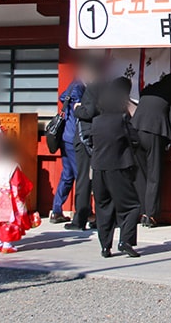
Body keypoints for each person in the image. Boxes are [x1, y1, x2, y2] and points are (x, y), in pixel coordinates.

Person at [89, 77, 141, 258]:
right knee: (132, 206)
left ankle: (105, 246)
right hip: (118, 166)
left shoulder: (96, 121)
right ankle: (125, 240)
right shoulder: (121, 119)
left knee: (104, 207)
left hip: (98, 167)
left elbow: (90, 141)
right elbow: (135, 139)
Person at [131, 72, 171, 228]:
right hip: (155, 132)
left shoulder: (148, 90)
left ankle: (143, 212)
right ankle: (152, 215)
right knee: (154, 175)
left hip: (135, 130)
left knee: (140, 174)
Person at [66, 60, 102, 231]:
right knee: (98, 179)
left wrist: (77, 108)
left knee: (82, 180)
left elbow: (89, 112)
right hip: (98, 137)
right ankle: (98, 216)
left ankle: (80, 219)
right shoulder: (105, 87)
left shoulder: (92, 89)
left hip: (85, 137)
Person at [0, 137, 35, 254]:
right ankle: (7, 244)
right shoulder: (12, 166)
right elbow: (18, 183)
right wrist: (25, 191)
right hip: (10, 199)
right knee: (10, 222)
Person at [50, 74, 86, 224]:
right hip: (73, 137)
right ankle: (82, 211)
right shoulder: (79, 88)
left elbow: (62, 98)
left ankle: (57, 210)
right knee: (80, 176)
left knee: (67, 174)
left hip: (65, 136)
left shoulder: (72, 85)